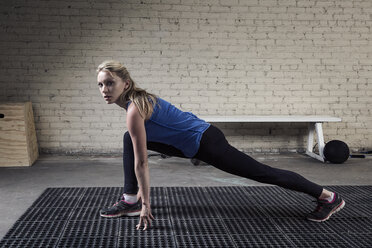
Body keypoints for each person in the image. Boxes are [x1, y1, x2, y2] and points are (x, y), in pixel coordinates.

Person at [96, 60, 345, 231]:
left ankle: (328, 197)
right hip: (189, 142)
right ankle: (130, 200)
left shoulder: (135, 109)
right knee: (129, 138)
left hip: (206, 141)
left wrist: (147, 205)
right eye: (101, 84)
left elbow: (142, 162)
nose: (105, 89)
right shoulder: (137, 103)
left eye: (110, 83)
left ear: (125, 84)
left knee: (261, 172)